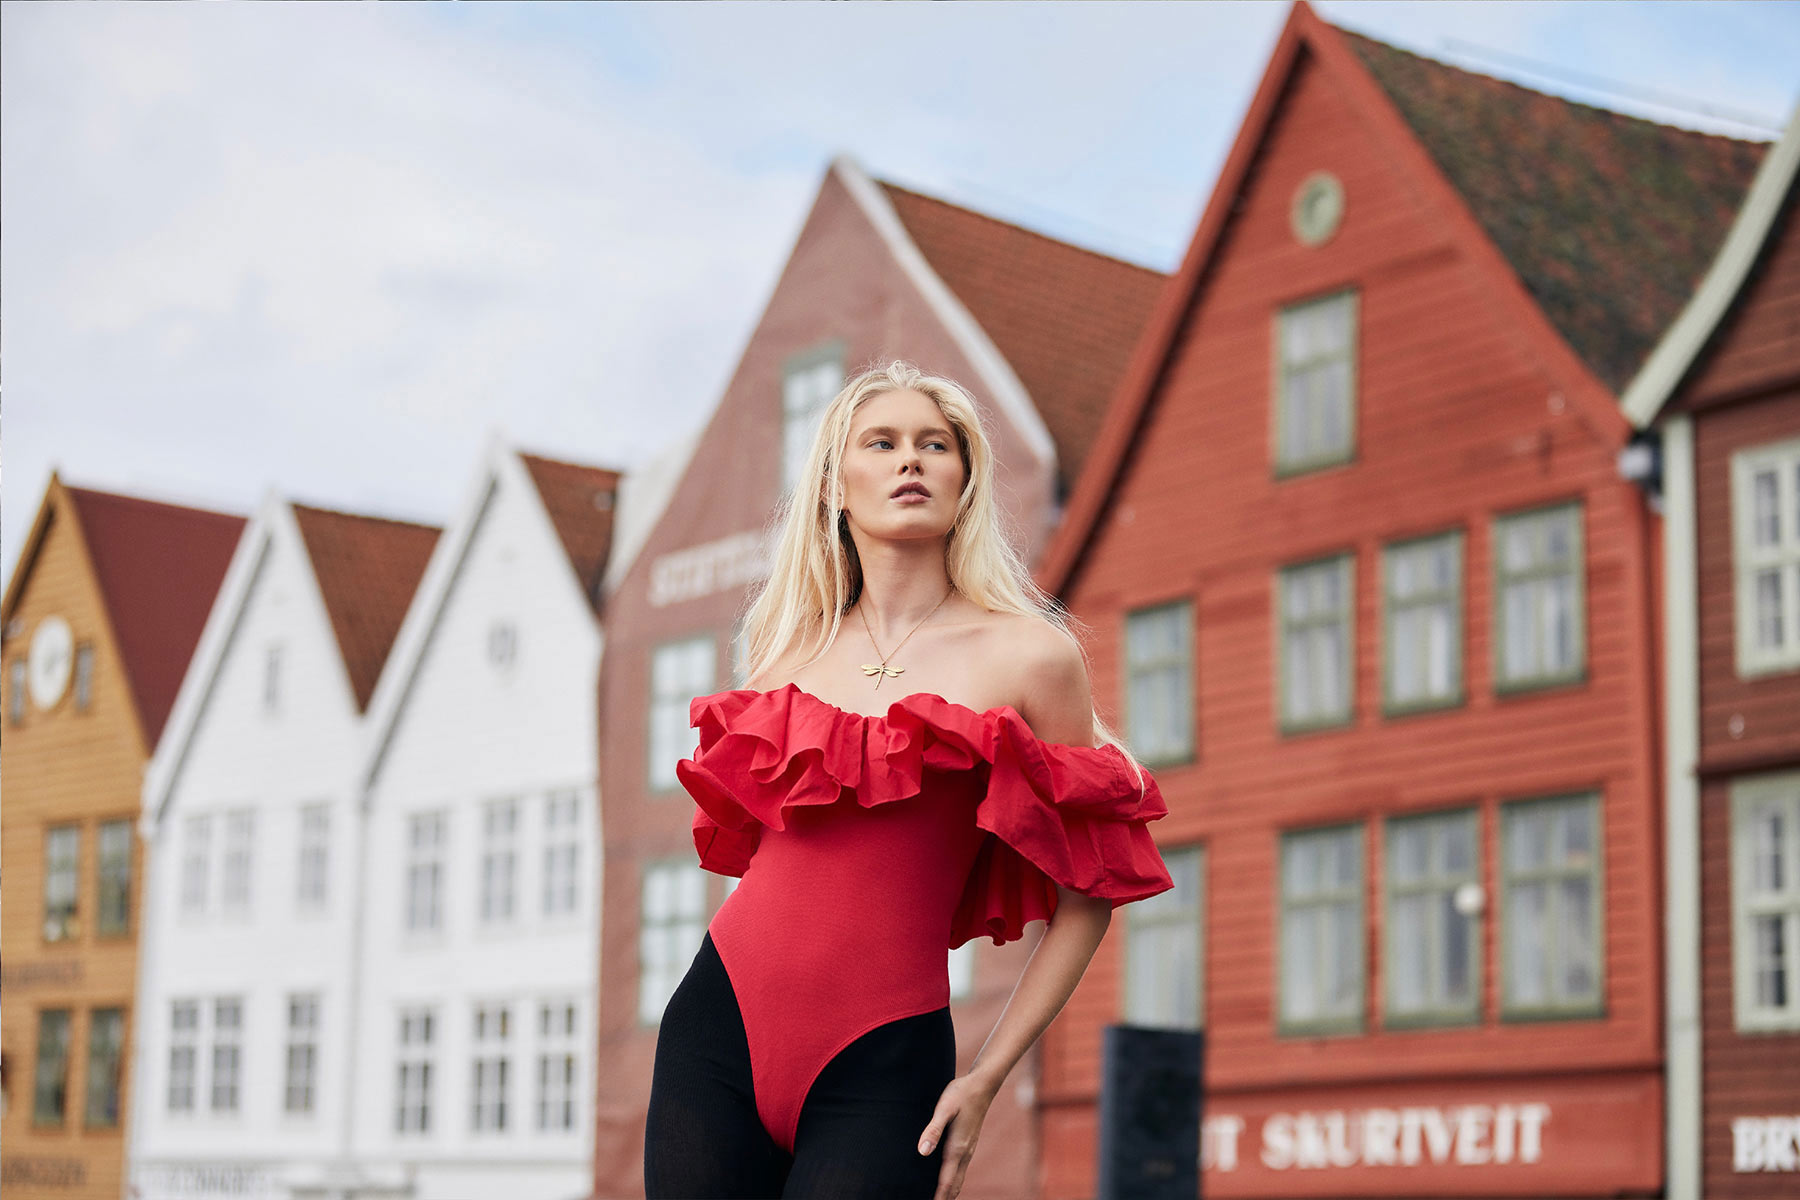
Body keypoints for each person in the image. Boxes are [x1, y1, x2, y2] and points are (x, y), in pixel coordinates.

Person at [644, 361, 1175, 1200]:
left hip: (885, 1059)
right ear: (835, 485)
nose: (911, 461)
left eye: (937, 445)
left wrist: (988, 1073)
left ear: (965, 483)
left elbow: (1093, 891)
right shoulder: (784, 652)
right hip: (716, 1032)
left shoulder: (1031, 655)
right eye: (882, 443)